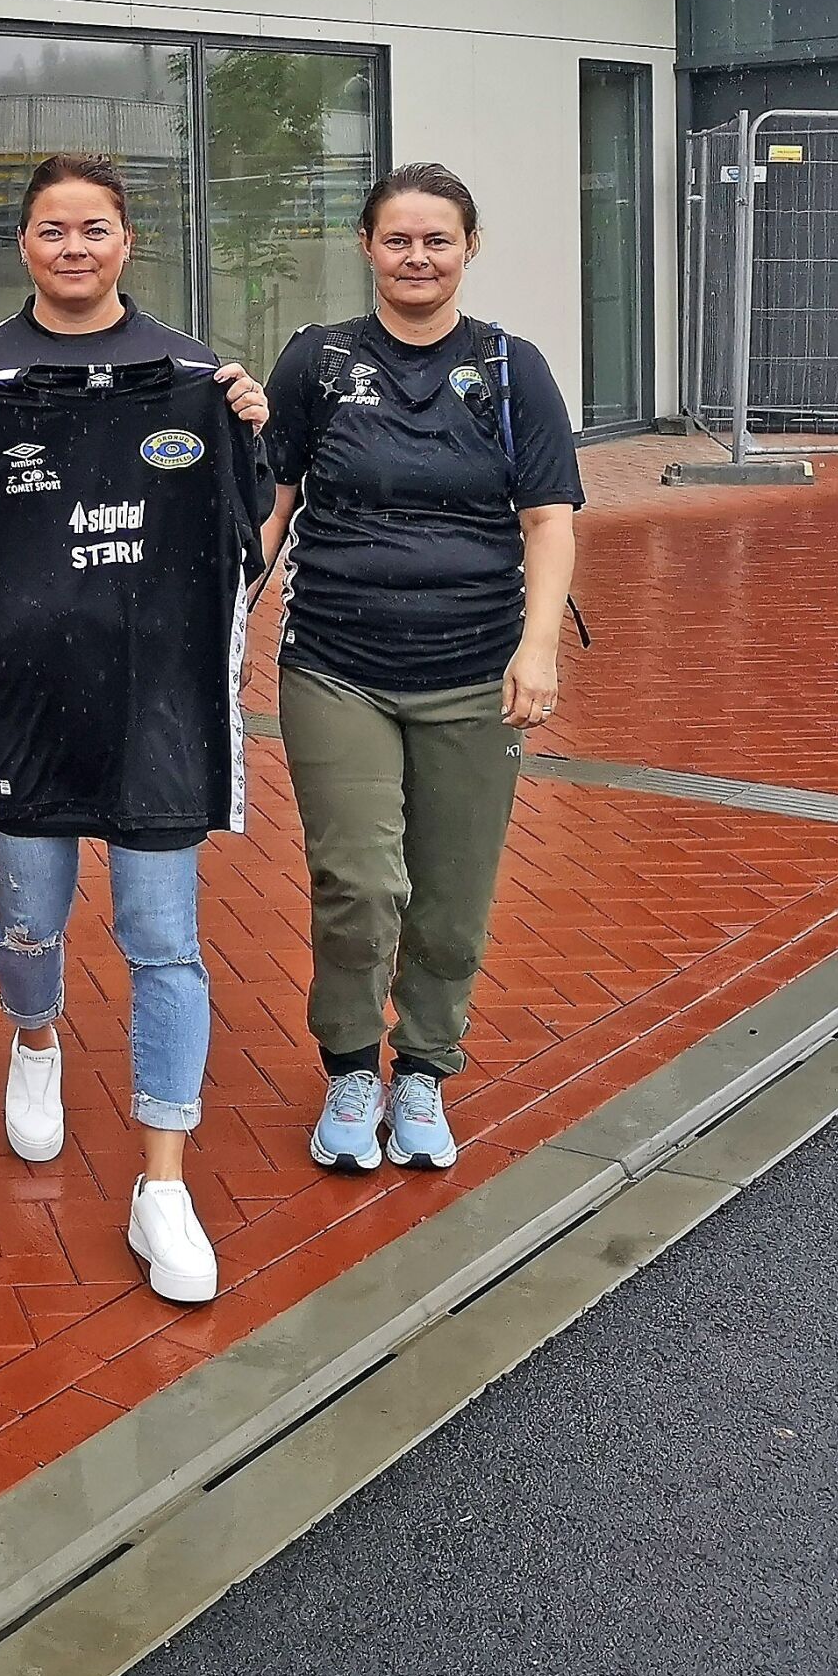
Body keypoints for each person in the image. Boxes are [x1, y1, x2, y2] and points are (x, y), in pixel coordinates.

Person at [0, 156, 270, 1305]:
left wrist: (250, 432)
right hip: (24, 707)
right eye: (52, 229)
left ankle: (163, 1186)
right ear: (23, 244)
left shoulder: (195, 377)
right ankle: (35, 1035)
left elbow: (251, 527)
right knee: (27, 924)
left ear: (125, 239)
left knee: (163, 940)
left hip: (157, 706)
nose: (73, 247)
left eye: (93, 227)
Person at [261, 161, 581, 1176]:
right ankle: (352, 1068)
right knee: (359, 882)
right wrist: (215, 616)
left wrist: (536, 648)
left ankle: (424, 1072)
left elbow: (548, 520)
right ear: (365, 246)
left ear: (468, 248)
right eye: (397, 239)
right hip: (335, 665)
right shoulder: (317, 362)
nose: (416, 257)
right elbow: (271, 505)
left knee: (450, 893)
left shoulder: (510, 368)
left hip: (474, 671)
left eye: (436, 240)